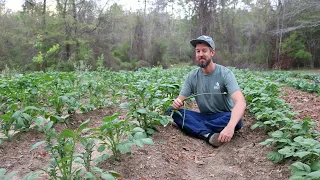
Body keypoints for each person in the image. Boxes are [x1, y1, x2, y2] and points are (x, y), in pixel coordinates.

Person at [170, 35, 246, 147]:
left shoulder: (225, 74)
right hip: (204, 116)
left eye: (204, 51)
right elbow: (178, 101)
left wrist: (230, 127)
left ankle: (195, 127)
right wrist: (176, 104)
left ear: (212, 53)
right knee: (173, 112)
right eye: (198, 51)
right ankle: (208, 135)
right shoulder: (192, 76)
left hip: (223, 116)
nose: (200, 54)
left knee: (236, 121)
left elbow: (241, 102)